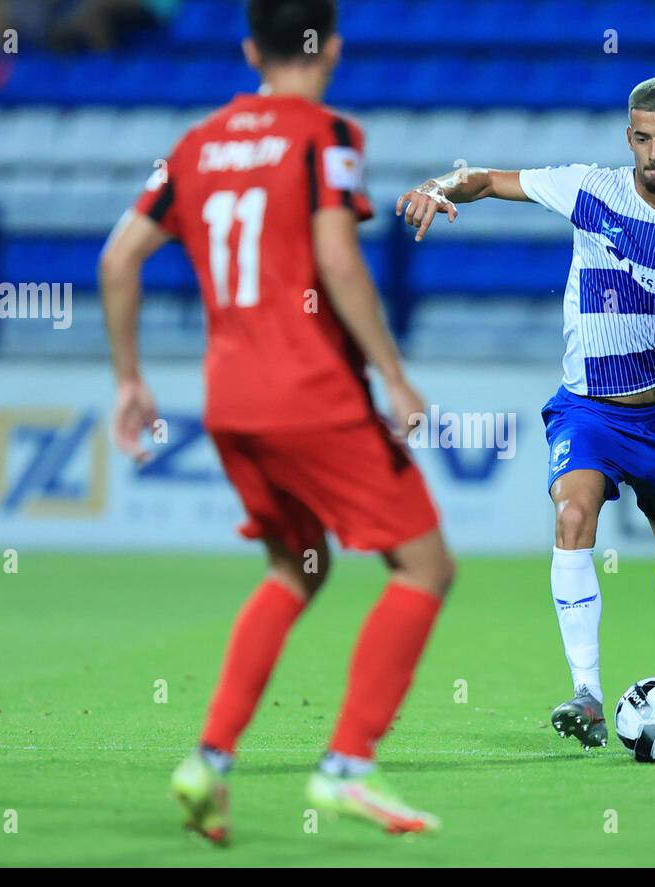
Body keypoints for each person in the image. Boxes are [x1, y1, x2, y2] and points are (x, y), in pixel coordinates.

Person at [99, 0, 454, 843]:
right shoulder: (326, 134)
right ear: (331, 46)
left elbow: (117, 260)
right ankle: (348, 767)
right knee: (424, 566)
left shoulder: (194, 146)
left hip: (231, 404)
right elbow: (335, 257)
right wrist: (395, 378)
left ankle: (209, 762)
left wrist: (128, 381)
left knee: (296, 567)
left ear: (251, 47)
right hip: (312, 395)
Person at [397, 77, 655, 750]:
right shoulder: (592, 189)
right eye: (642, 138)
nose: (654, 152)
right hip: (587, 412)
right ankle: (585, 691)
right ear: (628, 139)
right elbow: (490, 181)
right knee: (572, 514)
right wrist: (439, 186)